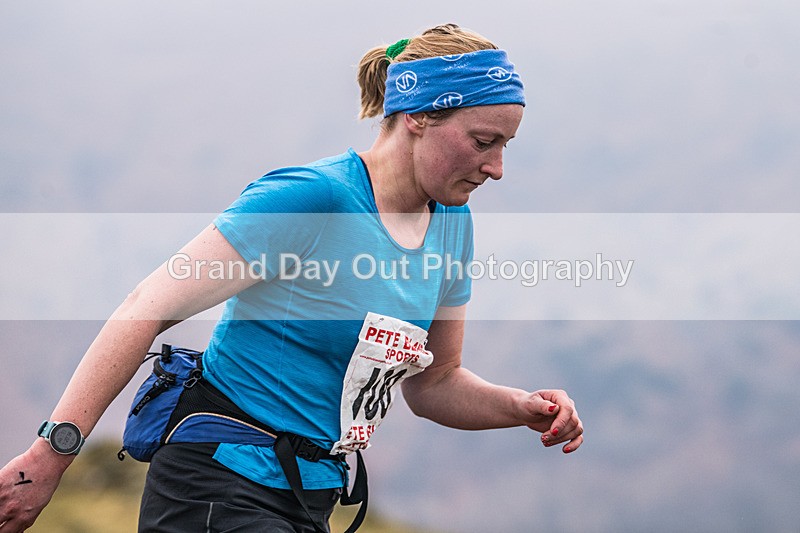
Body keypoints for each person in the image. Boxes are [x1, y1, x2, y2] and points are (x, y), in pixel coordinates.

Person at [0, 23, 583, 532]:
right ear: (416, 116)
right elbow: (146, 306)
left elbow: (435, 382)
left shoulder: (453, 224)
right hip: (218, 480)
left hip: (311, 495)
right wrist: (51, 455)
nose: (496, 168)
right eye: (483, 142)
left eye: (505, 146)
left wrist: (520, 407)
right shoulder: (312, 199)